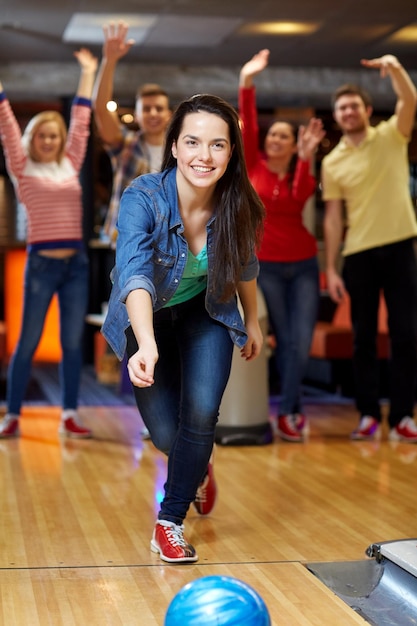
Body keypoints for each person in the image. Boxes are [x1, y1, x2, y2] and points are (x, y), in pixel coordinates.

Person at [102, 93, 265, 563]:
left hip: (205, 313)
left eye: (218, 145)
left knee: (200, 415)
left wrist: (251, 320)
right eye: (192, 142)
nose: (204, 156)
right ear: (174, 145)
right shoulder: (143, 197)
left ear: (231, 152)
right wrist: (146, 344)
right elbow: (132, 272)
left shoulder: (238, 203)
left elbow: (244, 266)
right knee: (167, 436)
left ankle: (168, 522)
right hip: (145, 316)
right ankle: (197, 468)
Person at [0, 48, 98, 439]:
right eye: (42, 134)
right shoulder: (22, 168)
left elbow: (82, 121)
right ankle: (12, 415)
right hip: (41, 264)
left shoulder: (70, 162)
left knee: (73, 344)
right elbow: (5, 122)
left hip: (76, 265)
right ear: (31, 138)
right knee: (27, 342)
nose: (49, 139)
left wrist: (88, 72)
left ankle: (70, 413)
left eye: (54, 135)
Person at [321, 54, 417, 442]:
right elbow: (331, 218)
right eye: (341, 108)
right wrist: (330, 266)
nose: (347, 112)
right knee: (362, 338)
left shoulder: (392, 136)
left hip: (399, 247)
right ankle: (366, 415)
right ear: (336, 115)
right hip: (358, 254)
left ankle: (403, 417)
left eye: (353, 106)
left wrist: (394, 69)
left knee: (406, 333)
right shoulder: (332, 161)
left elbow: (409, 101)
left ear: (367, 110)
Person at [238, 49, 325, 442]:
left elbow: (304, 194)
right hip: (266, 266)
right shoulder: (253, 162)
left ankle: (290, 409)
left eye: (283, 137)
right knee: (284, 339)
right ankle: (291, 410)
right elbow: (249, 121)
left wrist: (307, 160)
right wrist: (247, 80)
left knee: (300, 342)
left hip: (305, 264)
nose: (275, 139)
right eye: (273, 134)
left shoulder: (301, 173)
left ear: (293, 145)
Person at [92, 21, 172, 244]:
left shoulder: (180, 151)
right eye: (146, 109)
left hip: (168, 243)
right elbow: (100, 107)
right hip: (127, 241)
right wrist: (109, 60)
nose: (153, 113)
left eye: (159, 108)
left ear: (169, 115)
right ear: (137, 115)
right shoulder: (126, 145)